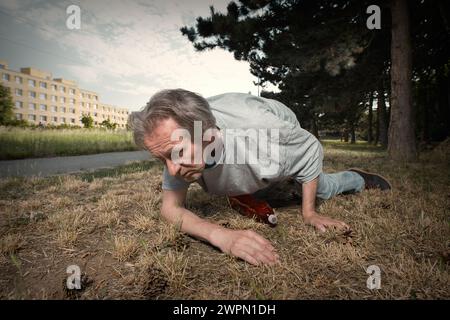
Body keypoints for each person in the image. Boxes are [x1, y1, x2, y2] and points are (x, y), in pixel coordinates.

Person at [129, 89, 391, 266]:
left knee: (319, 188)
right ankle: (248, 186)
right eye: (161, 159)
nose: (171, 170)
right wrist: (219, 235)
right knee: (264, 189)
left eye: (177, 153)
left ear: (206, 132)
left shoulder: (262, 131)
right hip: (242, 152)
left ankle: (355, 178)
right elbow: (170, 207)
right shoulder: (177, 137)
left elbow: (310, 149)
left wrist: (309, 213)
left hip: (277, 136)